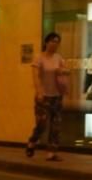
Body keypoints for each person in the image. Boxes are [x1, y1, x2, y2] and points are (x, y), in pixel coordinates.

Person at [26, 32, 68, 161]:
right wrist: (39, 92)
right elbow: (35, 76)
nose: (55, 44)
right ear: (46, 42)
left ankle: (51, 152)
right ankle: (32, 141)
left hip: (56, 96)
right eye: (53, 41)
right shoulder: (39, 58)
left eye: (57, 42)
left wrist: (63, 71)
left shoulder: (59, 58)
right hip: (43, 97)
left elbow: (66, 71)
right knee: (42, 124)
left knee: (56, 125)